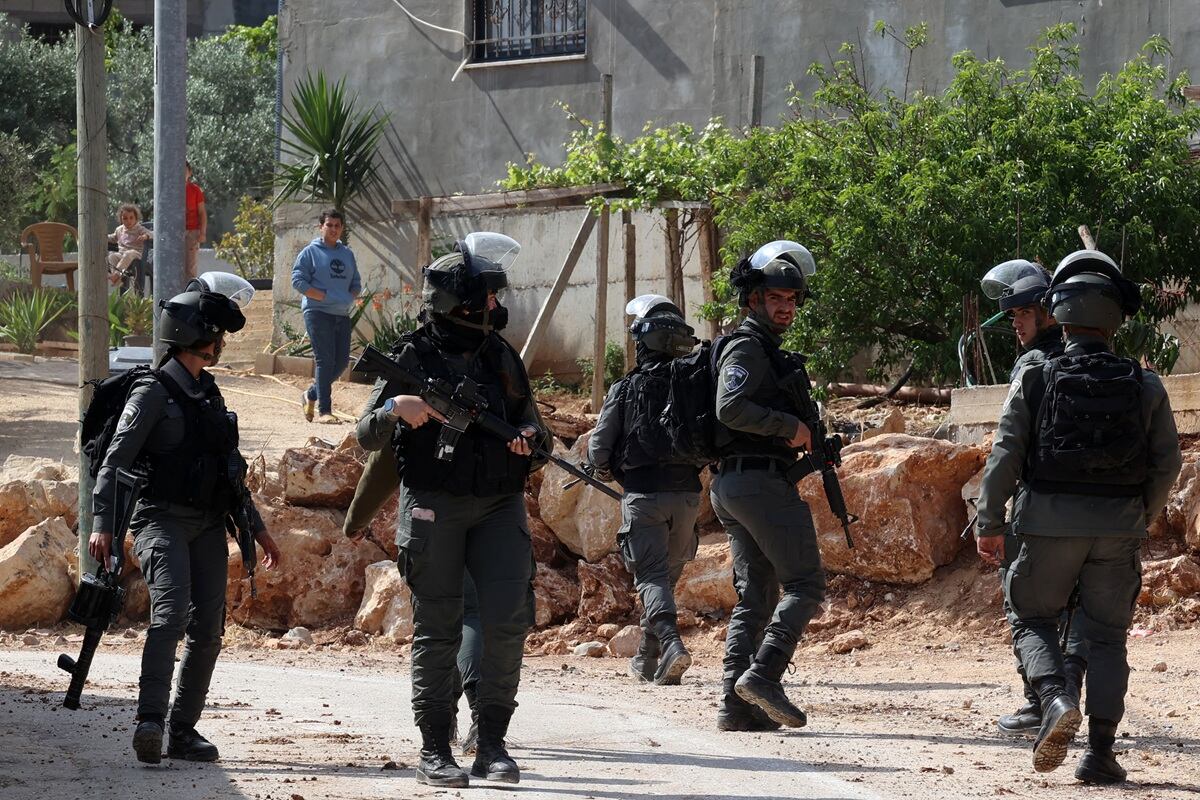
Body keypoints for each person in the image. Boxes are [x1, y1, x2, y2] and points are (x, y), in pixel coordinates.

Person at [974, 250, 1181, 781]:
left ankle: (1054, 698)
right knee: (1108, 638)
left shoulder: (1038, 375)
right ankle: (1100, 754)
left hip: (1045, 523)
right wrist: (1141, 515)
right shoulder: (1146, 384)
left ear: (1057, 309)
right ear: (1115, 315)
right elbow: (1167, 464)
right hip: (1118, 528)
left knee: (1032, 618)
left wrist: (990, 523)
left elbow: (1005, 454)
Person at [356, 232, 548, 788]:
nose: (496, 305)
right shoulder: (413, 356)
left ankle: (492, 743)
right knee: (437, 626)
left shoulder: (502, 357)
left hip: (498, 506)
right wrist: (397, 406)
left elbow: (539, 434)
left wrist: (529, 437)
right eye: (487, 297)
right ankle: (435, 747)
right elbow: (366, 434)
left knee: (509, 619)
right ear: (460, 301)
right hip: (433, 505)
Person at [87, 271, 282, 765]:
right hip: (160, 521)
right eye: (215, 333)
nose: (220, 342)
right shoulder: (151, 393)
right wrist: (101, 524)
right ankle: (149, 721)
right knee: (171, 614)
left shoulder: (208, 394)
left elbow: (229, 472)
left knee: (209, 629)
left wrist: (257, 529)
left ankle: (184, 729)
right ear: (196, 334)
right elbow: (114, 462)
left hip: (208, 524)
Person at [710, 240, 825, 732]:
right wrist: (789, 427)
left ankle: (736, 707)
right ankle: (764, 675)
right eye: (775, 297)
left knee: (756, 594)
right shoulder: (747, 346)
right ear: (752, 299)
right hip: (755, 483)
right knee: (805, 585)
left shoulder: (763, 348)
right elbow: (729, 408)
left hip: (739, 485)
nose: (785, 307)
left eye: (791, 299)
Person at [979, 259, 1087, 737]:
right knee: (1076, 612)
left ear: (1046, 311)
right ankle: (1068, 701)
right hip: (1097, 508)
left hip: (1039, 508)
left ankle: (1041, 700)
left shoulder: (1033, 365)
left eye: (1023, 313)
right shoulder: (1087, 354)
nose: (1016, 324)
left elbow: (1009, 446)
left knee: (1025, 607)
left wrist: (990, 516)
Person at [587, 294, 702, 686]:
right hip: (688, 498)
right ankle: (647, 658)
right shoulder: (696, 386)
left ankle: (671, 644)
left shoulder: (625, 389)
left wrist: (601, 468)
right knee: (665, 581)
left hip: (644, 497)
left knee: (651, 578)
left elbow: (598, 448)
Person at [292, 209, 361, 424]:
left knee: (340, 363)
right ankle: (324, 411)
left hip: (341, 313)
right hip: (317, 312)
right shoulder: (310, 253)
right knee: (324, 360)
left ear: (342, 228)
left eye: (337, 225)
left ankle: (310, 395)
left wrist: (347, 298)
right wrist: (323, 297)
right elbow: (298, 281)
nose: (333, 229)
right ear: (321, 227)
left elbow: (356, 284)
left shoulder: (347, 254)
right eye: (329, 225)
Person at [107, 203, 153, 287]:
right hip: (122, 255)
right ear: (121, 219)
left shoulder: (139, 228)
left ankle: (116, 275)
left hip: (136, 254)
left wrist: (145, 236)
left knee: (129, 253)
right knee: (112, 256)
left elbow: (151, 234)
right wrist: (102, 237)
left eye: (131, 218)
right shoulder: (119, 230)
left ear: (136, 218)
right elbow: (112, 238)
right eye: (125, 218)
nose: (128, 221)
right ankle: (117, 277)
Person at [184, 161, 207, 281]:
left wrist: (202, 233)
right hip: (175, 232)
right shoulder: (170, 190)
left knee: (190, 268)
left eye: (184, 170)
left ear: (190, 172)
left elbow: (202, 213)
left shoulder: (195, 190)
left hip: (192, 231)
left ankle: (189, 295)